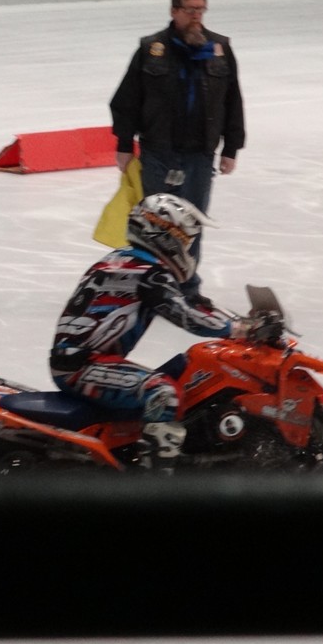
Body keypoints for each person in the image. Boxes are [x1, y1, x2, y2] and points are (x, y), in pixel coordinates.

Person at [50, 194, 274, 474]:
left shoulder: (129, 260)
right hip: (82, 366)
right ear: (164, 234)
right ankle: (156, 481)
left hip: (84, 360)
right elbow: (184, 314)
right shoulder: (147, 271)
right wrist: (239, 329)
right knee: (163, 392)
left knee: (183, 376)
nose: (187, 247)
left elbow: (191, 304)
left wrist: (237, 321)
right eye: (184, 239)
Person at [109, 0, 245, 304]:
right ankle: (152, 288)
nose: (196, 16)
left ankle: (186, 289)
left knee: (190, 224)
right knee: (155, 225)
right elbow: (126, 101)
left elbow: (233, 102)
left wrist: (231, 148)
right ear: (174, 11)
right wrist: (124, 145)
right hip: (159, 153)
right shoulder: (150, 49)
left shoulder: (220, 49)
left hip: (200, 156)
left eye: (201, 10)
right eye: (190, 10)